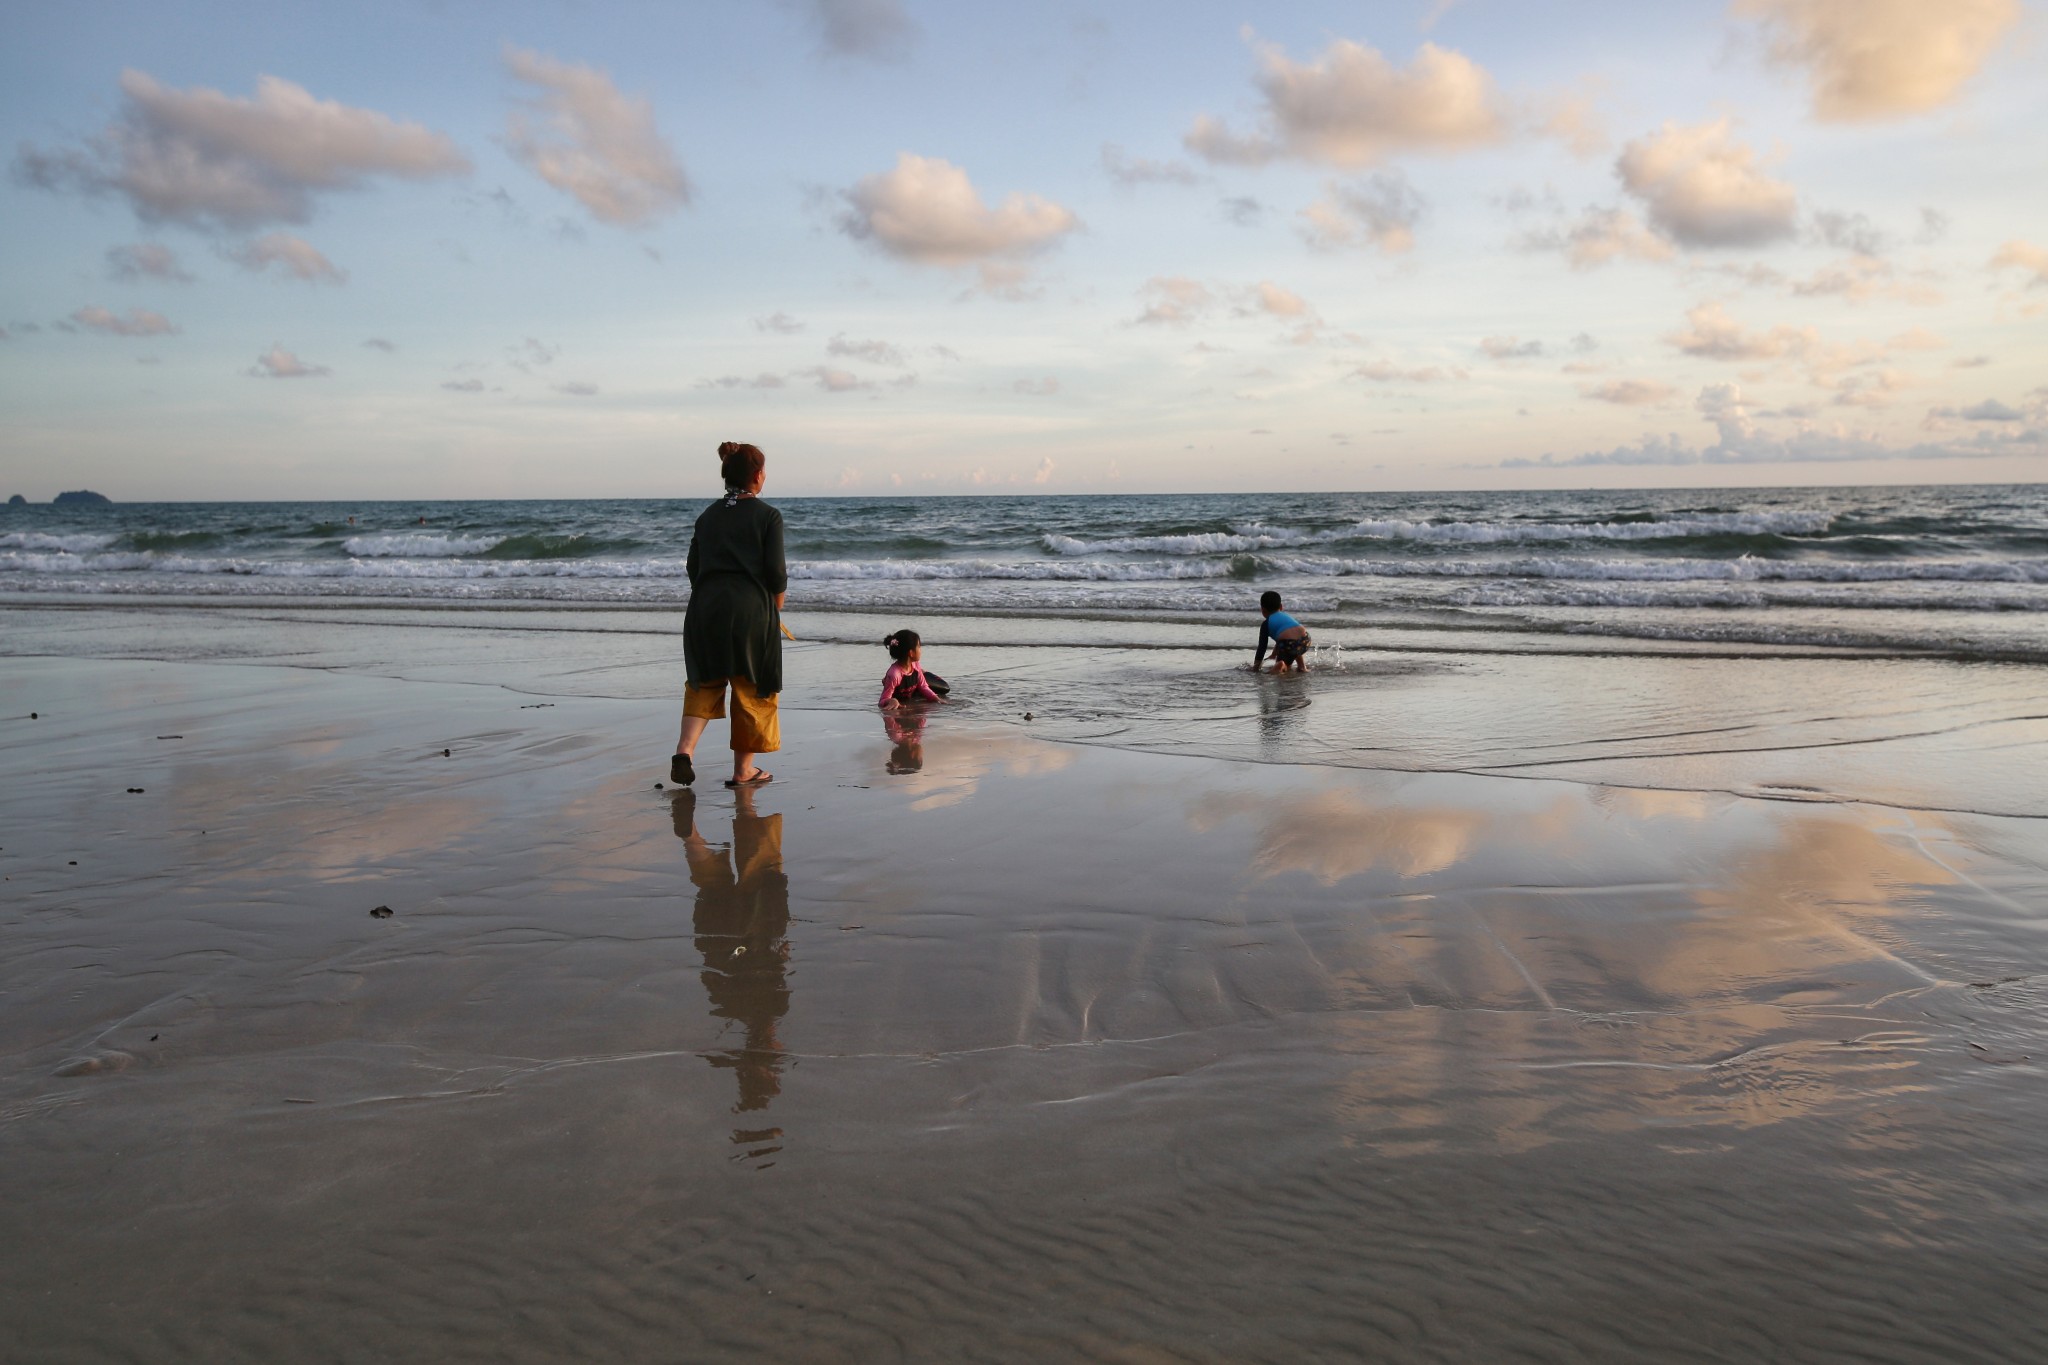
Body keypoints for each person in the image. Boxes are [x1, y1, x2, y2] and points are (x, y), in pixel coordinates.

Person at [672, 441, 787, 788]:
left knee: (704, 683)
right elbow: (776, 574)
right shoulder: (768, 516)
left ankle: (684, 751)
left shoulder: (707, 516)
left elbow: (694, 567)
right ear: (757, 475)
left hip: (705, 610)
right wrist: (773, 610)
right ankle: (743, 771)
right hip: (751, 611)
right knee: (752, 689)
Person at [877, 628, 948, 709]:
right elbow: (882, 701)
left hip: (912, 690)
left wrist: (936, 699)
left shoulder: (915, 665)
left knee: (944, 688)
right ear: (911, 653)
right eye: (919, 646)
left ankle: (923, 674)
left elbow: (923, 686)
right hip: (905, 695)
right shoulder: (894, 674)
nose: (921, 650)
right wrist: (891, 701)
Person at [1251, 590, 1312, 672]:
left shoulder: (1266, 624)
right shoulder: (1286, 616)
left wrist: (1256, 667)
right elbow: (1284, 639)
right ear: (1281, 607)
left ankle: (1281, 665)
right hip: (1306, 639)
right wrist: (1273, 654)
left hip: (1288, 643)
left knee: (1281, 668)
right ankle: (1302, 667)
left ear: (1262, 609)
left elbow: (1262, 648)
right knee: (1295, 646)